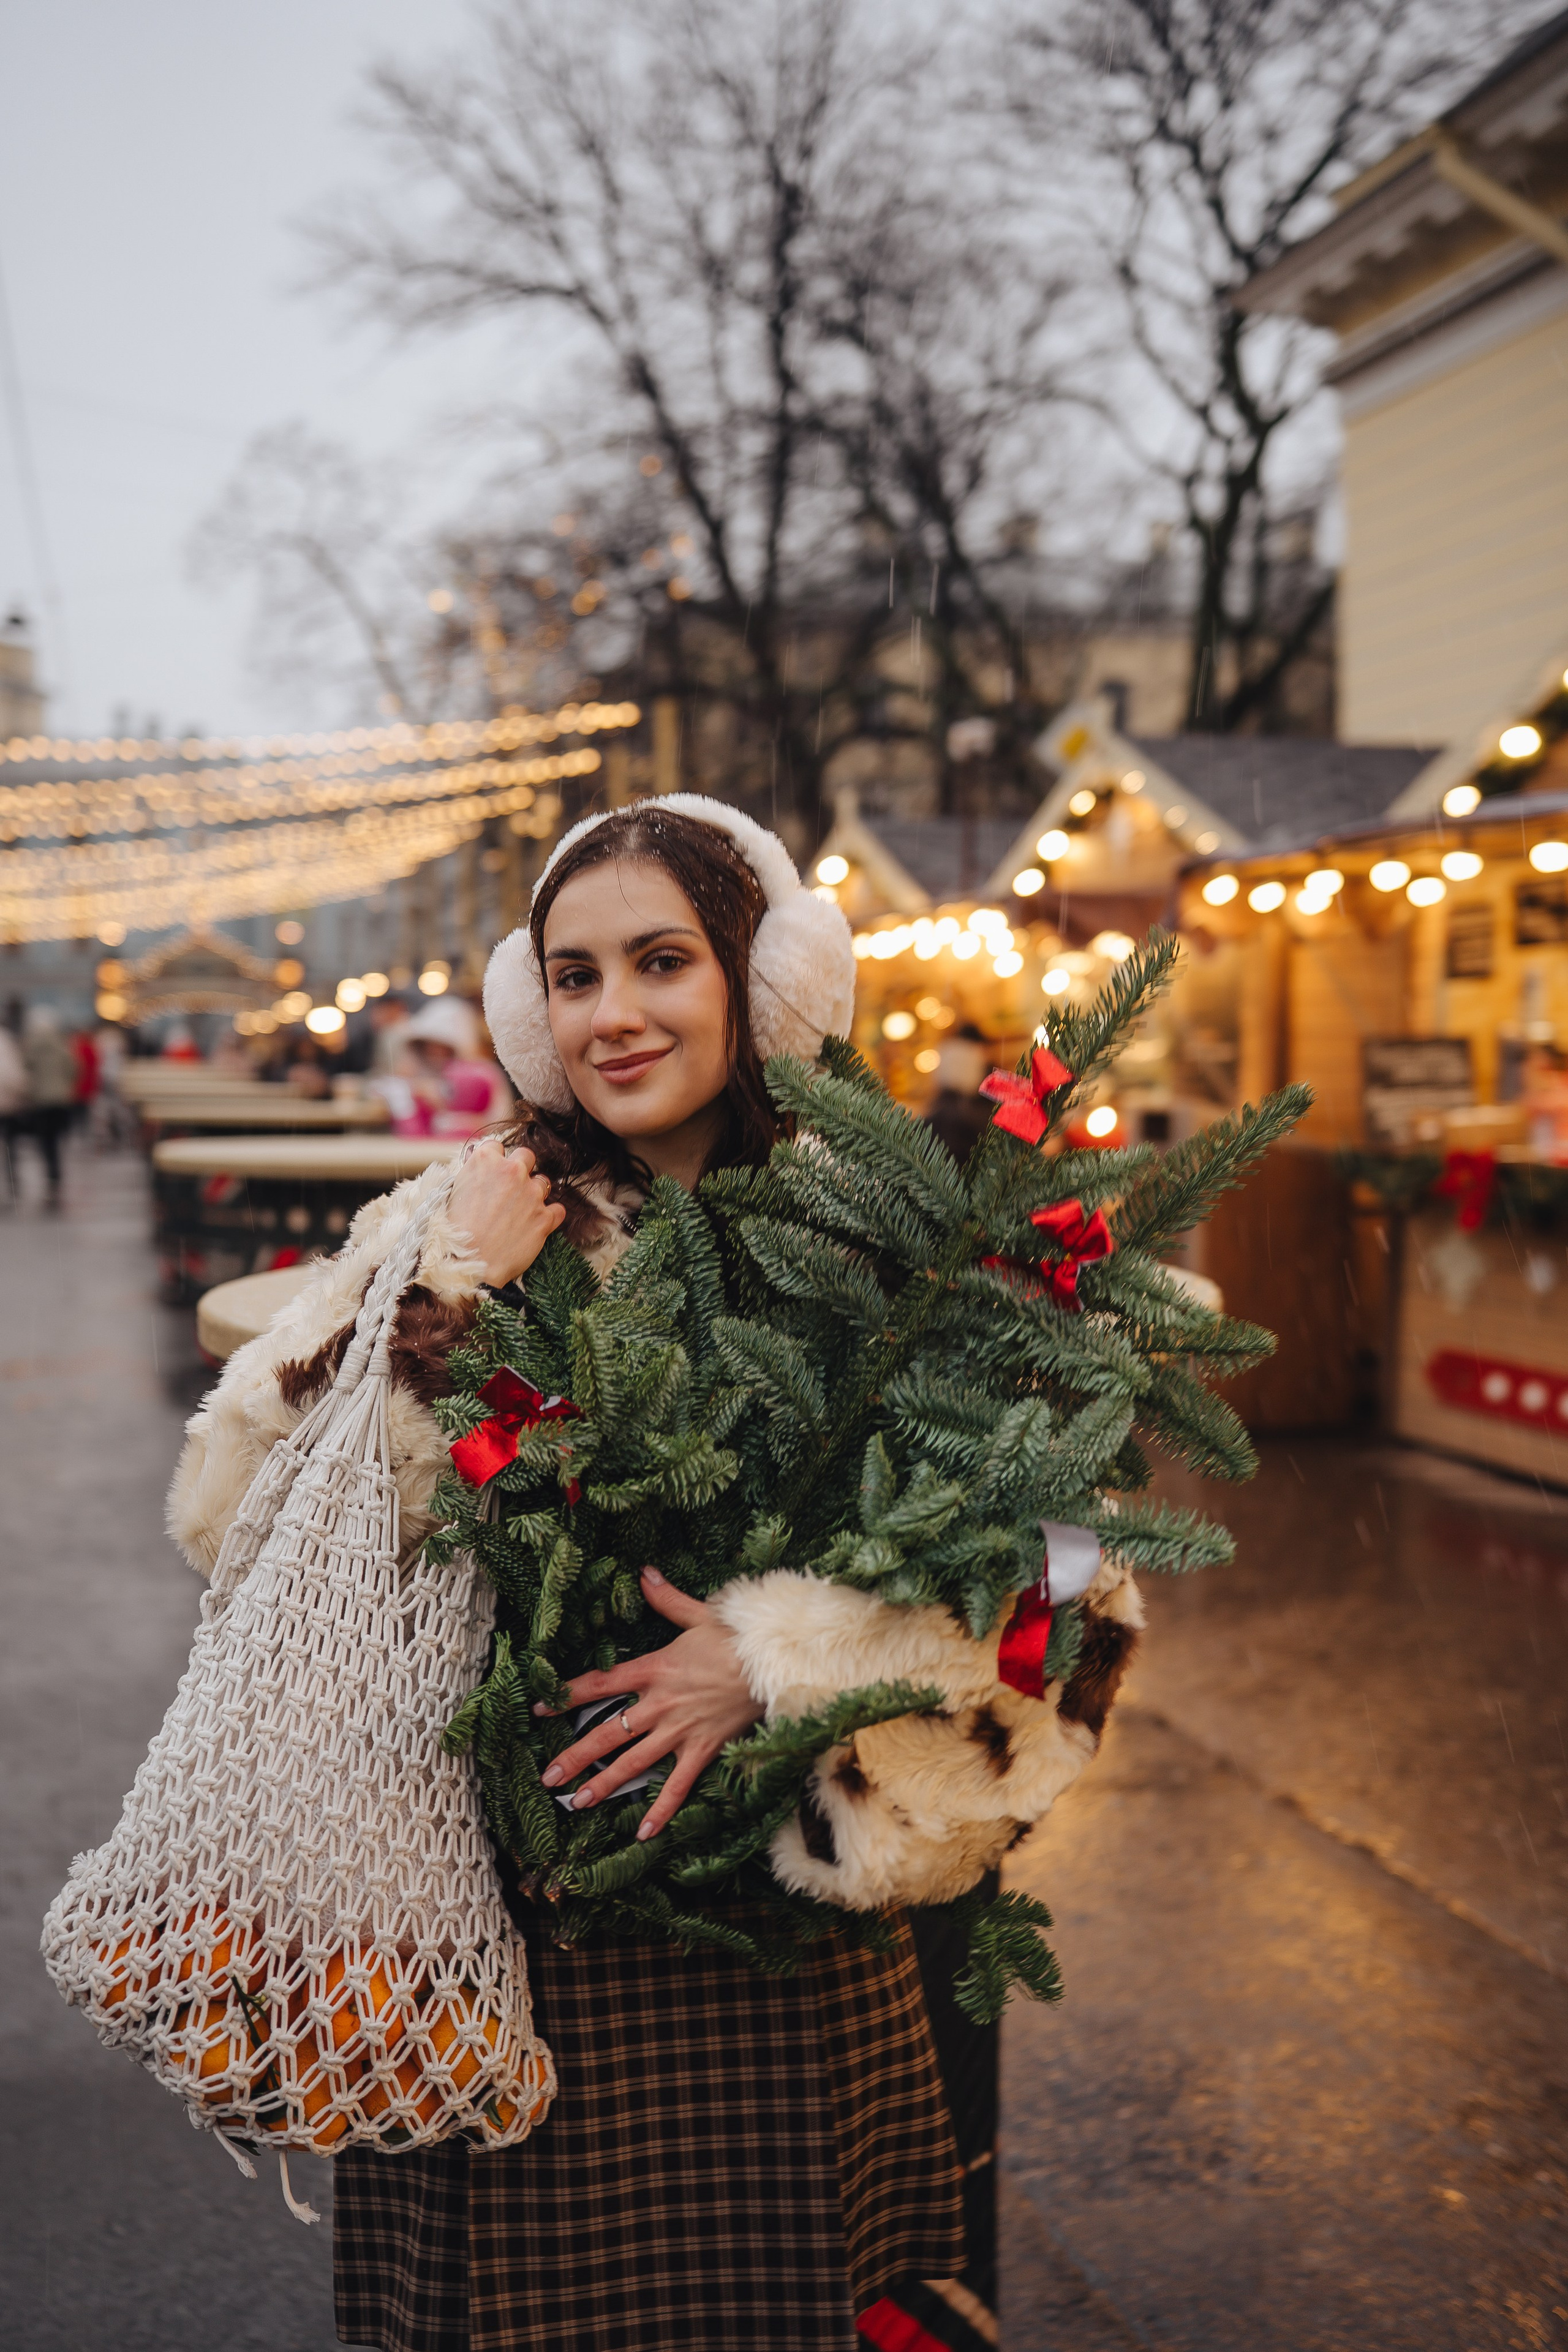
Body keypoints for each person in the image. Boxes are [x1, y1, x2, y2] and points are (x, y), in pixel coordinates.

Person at [167, 799, 1087, 2351]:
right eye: (572, 974)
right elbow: (236, 1517)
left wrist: (783, 1655)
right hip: (496, 1931)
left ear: (762, 978)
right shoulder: (455, 1218)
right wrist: (447, 1286)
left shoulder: (895, 1240)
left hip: (779, 1943)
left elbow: (1070, 1571)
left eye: (662, 960)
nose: (613, 1014)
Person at [20, 1005, 79, 1207]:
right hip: (60, 1100)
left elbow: (26, 1072)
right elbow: (73, 1068)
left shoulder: (31, 1046)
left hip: (41, 1101)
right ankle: (56, 1176)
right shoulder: (61, 1045)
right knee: (56, 1141)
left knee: (46, 1143)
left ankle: (51, 1176)